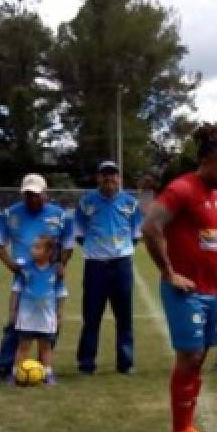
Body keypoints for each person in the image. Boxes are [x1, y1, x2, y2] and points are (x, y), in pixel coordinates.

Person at [141, 123, 217, 432]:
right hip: (186, 290)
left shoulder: (216, 195)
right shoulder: (181, 189)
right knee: (189, 356)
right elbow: (151, 227)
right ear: (206, 161)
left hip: (211, 289)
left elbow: (211, 235)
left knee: (202, 356)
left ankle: (190, 424)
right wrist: (169, 272)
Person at [0, 173, 74, 379]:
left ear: (45, 194)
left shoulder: (59, 215)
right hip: (25, 276)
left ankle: (43, 368)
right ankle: (5, 365)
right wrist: (11, 264)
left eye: (36, 194)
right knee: (17, 322)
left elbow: (68, 244)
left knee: (51, 322)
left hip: (49, 277)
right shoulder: (11, 213)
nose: (32, 199)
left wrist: (61, 264)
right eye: (28, 194)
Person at [74, 160, 141, 375]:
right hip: (95, 266)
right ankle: (86, 363)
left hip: (121, 265)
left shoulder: (131, 203)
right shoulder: (86, 203)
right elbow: (80, 234)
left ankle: (125, 362)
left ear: (119, 178)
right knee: (91, 316)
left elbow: (136, 234)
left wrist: (117, 252)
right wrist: (99, 251)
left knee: (124, 316)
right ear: (98, 178)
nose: (109, 178)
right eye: (105, 174)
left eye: (113, 175)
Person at [11, 235, 68, 385]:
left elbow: (61, 294)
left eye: (37, 247)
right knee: (23, 346)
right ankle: (15, 374)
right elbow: (16, 290)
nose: (33, 250)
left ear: (49, 252)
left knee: (46, 347)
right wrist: (13, 310)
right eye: (33, 246)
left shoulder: (55, 271)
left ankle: (47, 373)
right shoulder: (25, 269)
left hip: (47, 317)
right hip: (27, 315)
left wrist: (59, 313)